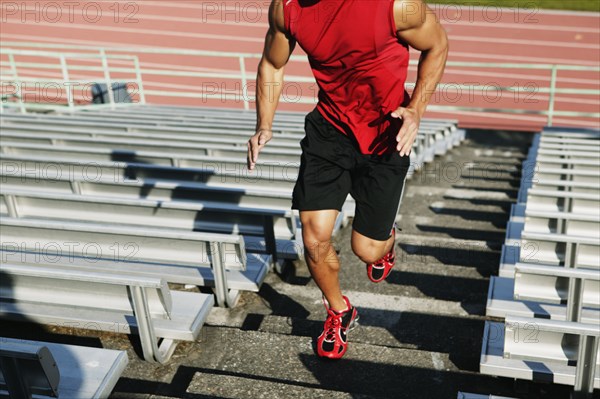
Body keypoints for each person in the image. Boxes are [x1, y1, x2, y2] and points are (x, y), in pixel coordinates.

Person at [247, 0, 448, 359]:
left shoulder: (395, 6)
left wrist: (416, 108)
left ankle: (386, 241)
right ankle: (339, 310)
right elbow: (273, 63)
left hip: (387, 130)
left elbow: (437, 44)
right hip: (329, 132)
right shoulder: (287, 7)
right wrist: (264, 124)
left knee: (366, 249)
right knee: (313, 236)